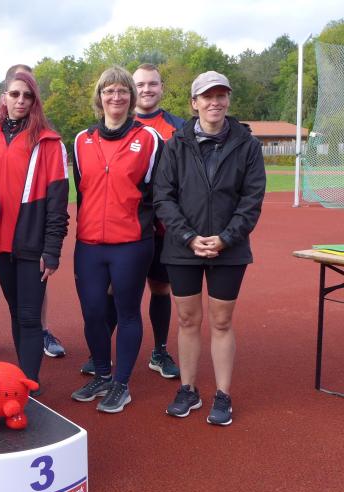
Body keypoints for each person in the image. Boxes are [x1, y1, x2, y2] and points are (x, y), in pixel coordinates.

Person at [154, 71, 265, 426]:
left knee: (221, 321)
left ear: (228, 100)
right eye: (207, 96)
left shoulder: (247, 145)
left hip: (229, 249)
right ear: (194, 102)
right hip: (182, 247)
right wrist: (189, 236)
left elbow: (251, 200)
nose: (215, 102)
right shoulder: (175, 144)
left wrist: (226, 238)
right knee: (187, 319)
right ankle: (188, 389)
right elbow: (163, 197)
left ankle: (223, 394)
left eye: (221, 95)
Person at [80, 63, 183, 379]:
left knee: (159, 288)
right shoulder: (86, 138)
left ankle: (159, 350)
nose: (147, 89)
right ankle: (101, 357)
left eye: (153, 84)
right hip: (112, 232)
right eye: (142, 84)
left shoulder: (173, 129)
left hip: (153, 230)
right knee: (110, 294)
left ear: (160, 88)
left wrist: (171, 227)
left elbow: (171, 185)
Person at [70, 66, 163, 413]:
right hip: (89, 244)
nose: (116, 96)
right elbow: (82, 190)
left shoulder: (150, 139)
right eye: (109, 90)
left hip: (132, 244)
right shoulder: (81, 140)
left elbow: (158, 192)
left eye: (123, 90)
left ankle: (121, 384)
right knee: (94, 312)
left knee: (127, 312)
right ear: (100, 97)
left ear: (131, 96)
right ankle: (102, 374)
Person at [0, 71, 69, 391]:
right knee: (17, 314)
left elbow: (58, 203)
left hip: (32, 243)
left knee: (30, 317)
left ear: (35, 101)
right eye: (14, 94)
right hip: (0, 244)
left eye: (27, 95)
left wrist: (52, 250)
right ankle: (24, 379)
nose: (20, 101)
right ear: (4, 97)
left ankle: (30, 385)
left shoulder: (49, 142)